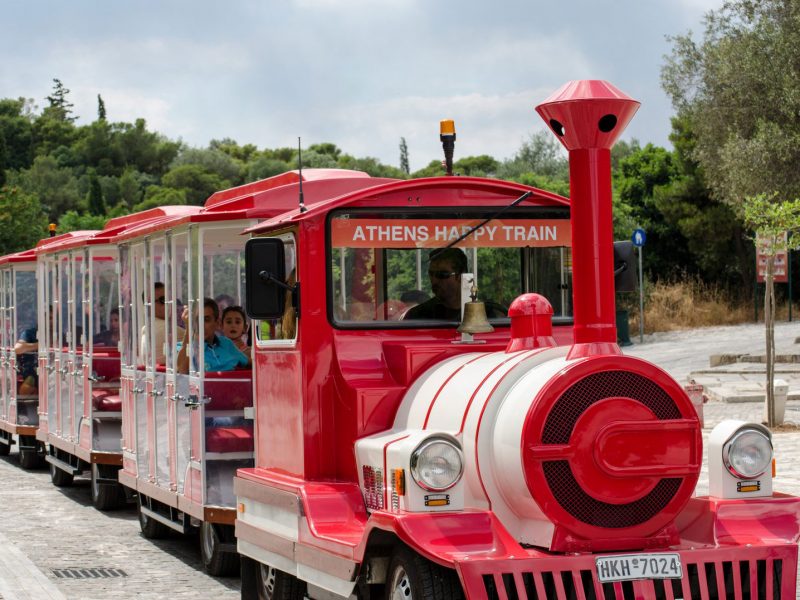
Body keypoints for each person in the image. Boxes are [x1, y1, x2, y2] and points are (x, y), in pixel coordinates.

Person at [177, 298, 250, 374]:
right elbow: (182, 370)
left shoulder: (226, 343)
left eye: (206, 320)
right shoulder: (181, 347)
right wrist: (189, 329)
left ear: (217, 323)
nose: (200, 325)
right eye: (196, 320)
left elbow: (251, 364)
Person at [404, 248, 470, 320]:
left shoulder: (480, 314)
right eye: (431, 274)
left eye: (442, 274)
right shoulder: (417, 316)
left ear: (460, 276)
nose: (434, 280)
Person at [141, 282, 185, 365]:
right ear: (149, 305)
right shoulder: (175, 331)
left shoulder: (145, 329)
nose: (168, 303)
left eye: (169, 299)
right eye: (163, 300)